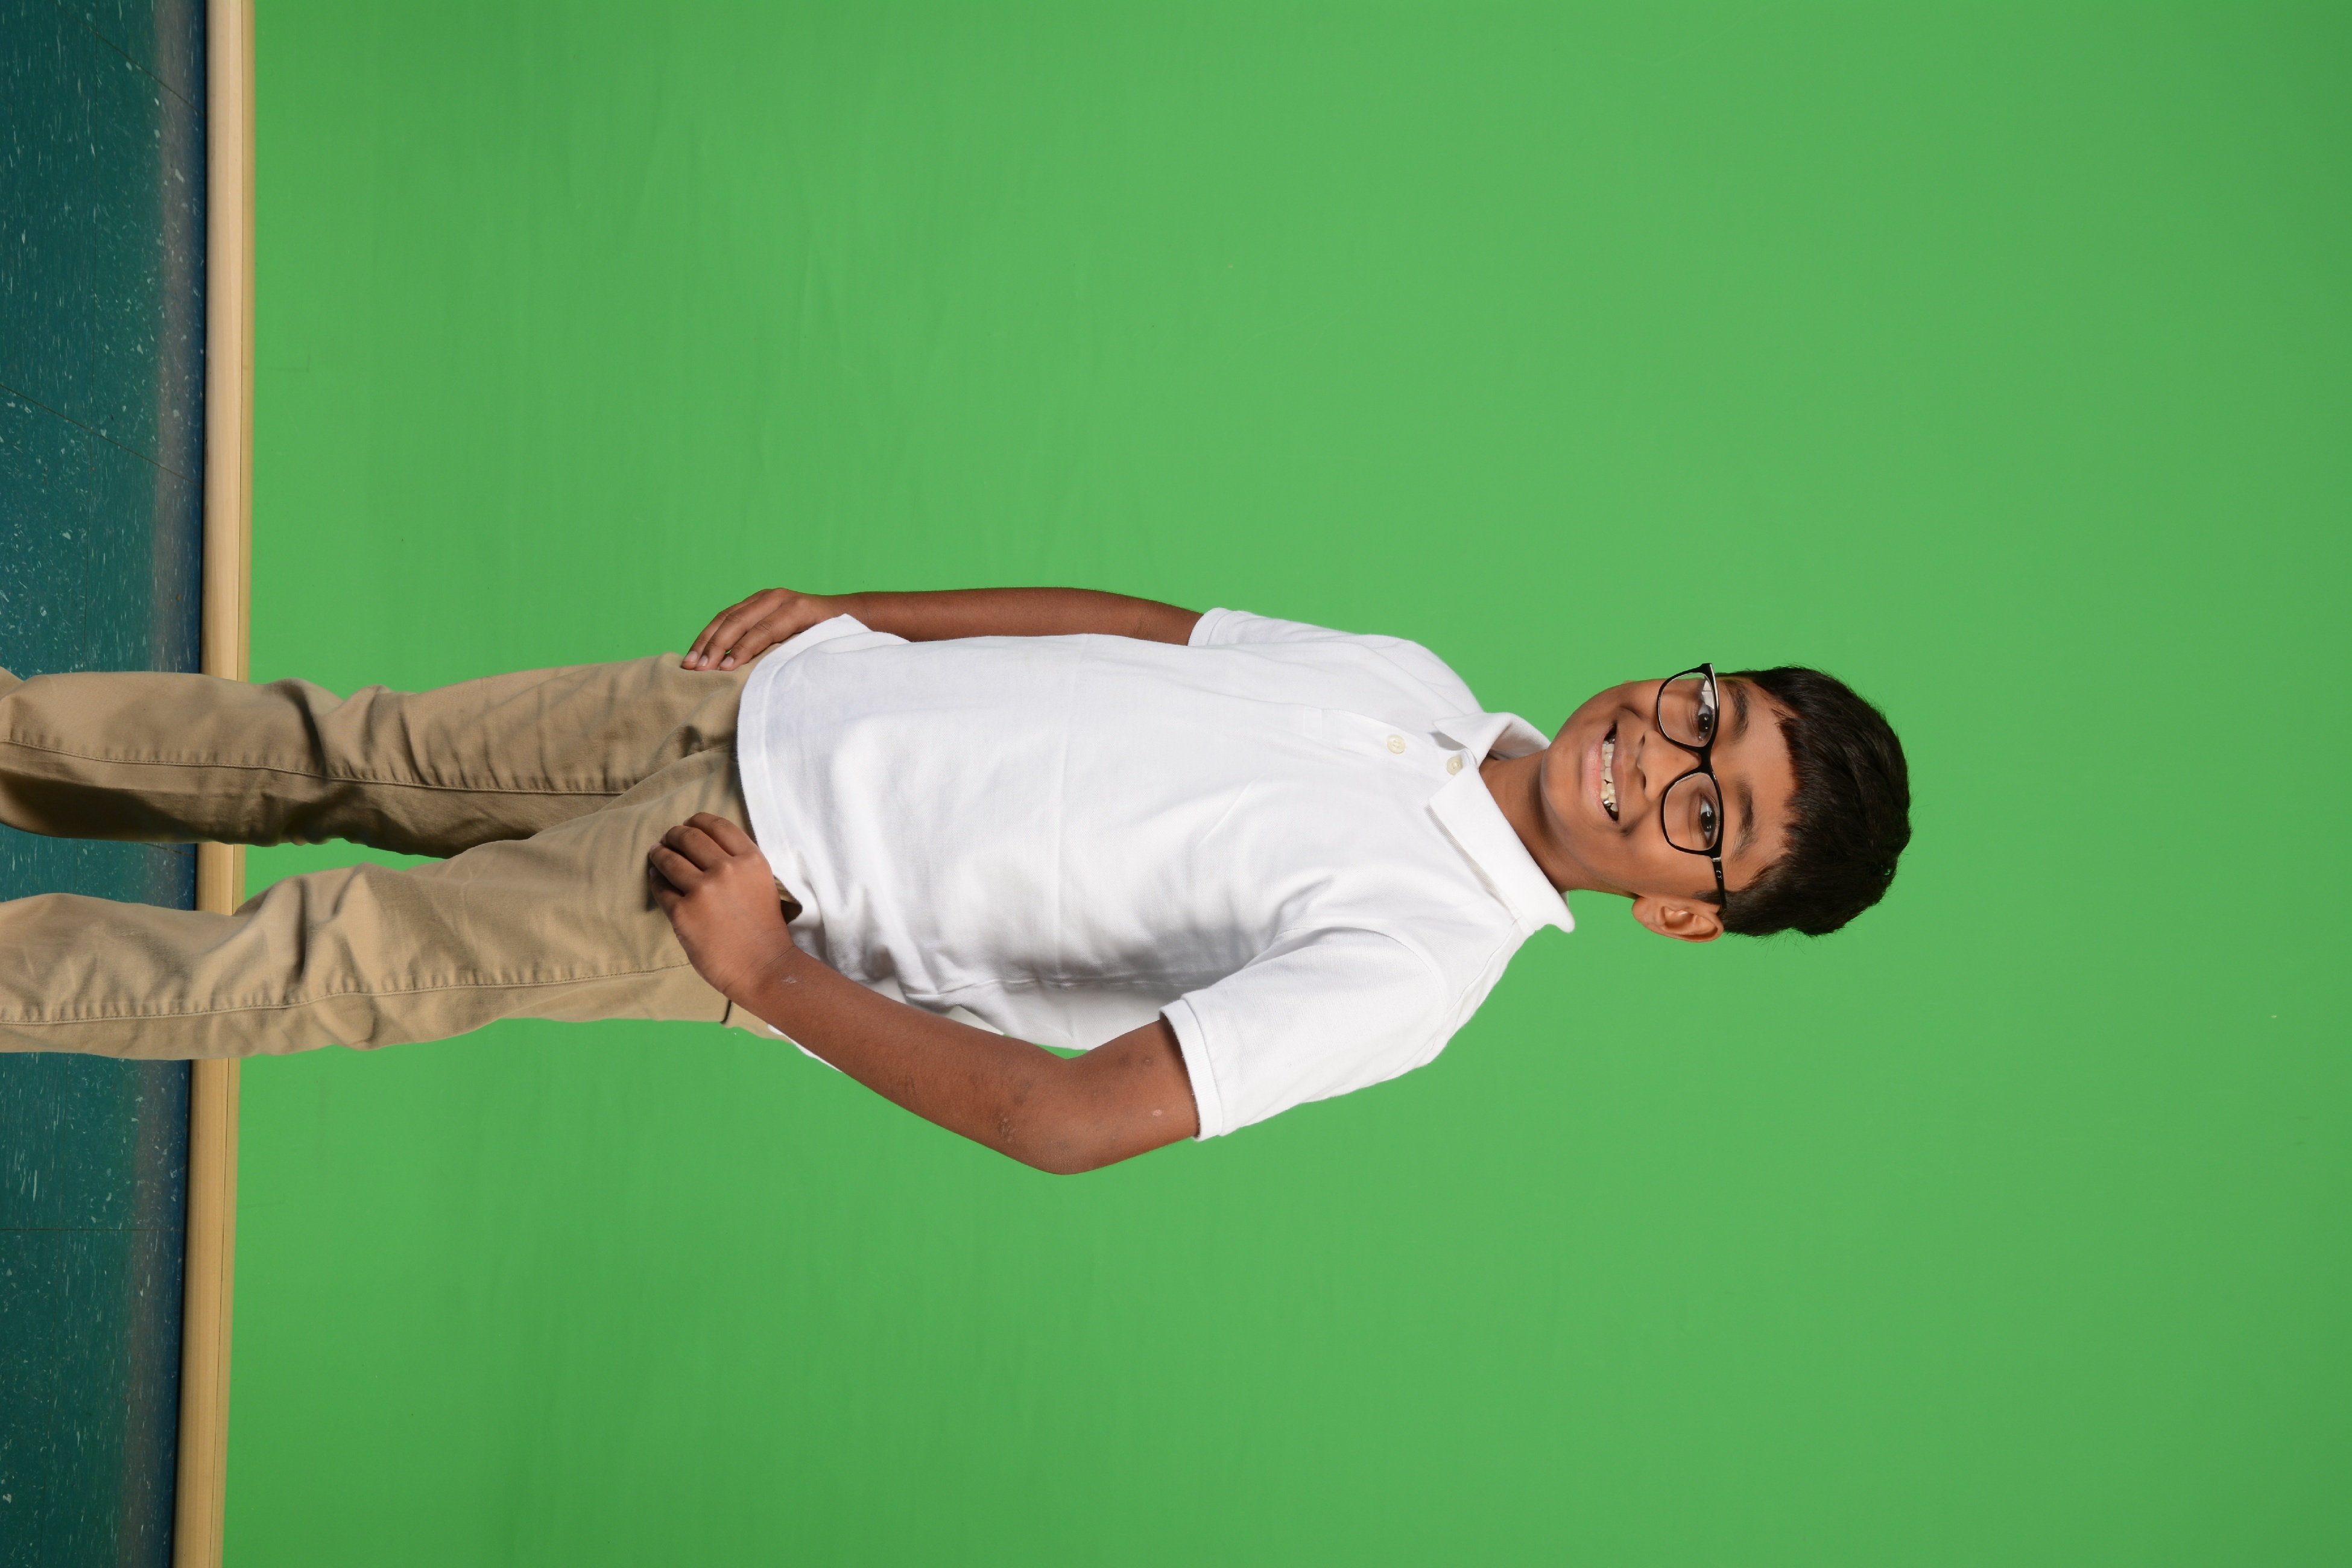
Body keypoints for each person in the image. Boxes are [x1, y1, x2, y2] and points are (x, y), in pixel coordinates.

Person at [0, 586, 1909, 1171]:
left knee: (311, 962)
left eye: (1708, 816)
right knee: (331, 746)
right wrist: (866, 613)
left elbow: (1069, 1120)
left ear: (1683, 911)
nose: (1659, 760)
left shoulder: (1417, 968)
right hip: (751, 710)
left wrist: (765, 972)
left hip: (745, 880)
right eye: (1704, 714)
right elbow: (1141, 630)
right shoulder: (1415, 687)